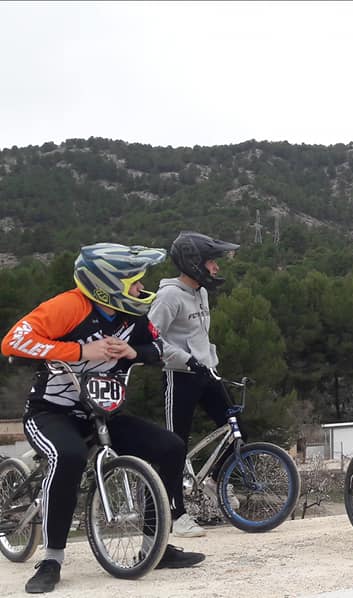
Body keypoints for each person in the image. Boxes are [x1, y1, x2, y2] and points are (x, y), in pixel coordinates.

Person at [2, 243, 205, 594]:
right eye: (136, 282)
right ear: (109, 283)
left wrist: (133, 351)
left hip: (104, 414)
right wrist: (80, 350)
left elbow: (157, 348)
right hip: (51, 412)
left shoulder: (131, 315)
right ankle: (51, 559)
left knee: (170, 448)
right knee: (68, 457)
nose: (142, 288)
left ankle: (152, 546)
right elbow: (13, 342)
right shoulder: (69, 306)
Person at [147, 231, 241, 535]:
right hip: (180, 377)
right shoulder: (169, 296)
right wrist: (185, 359)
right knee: (175, 446)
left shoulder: (201, 293)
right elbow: (151, 339)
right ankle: (176, 515)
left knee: (237, 427)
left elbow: (201, 337)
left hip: (206, 374)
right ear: (194, 263)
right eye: (212, 261)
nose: (216, 268)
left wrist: (209, 362)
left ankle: (215, 481)